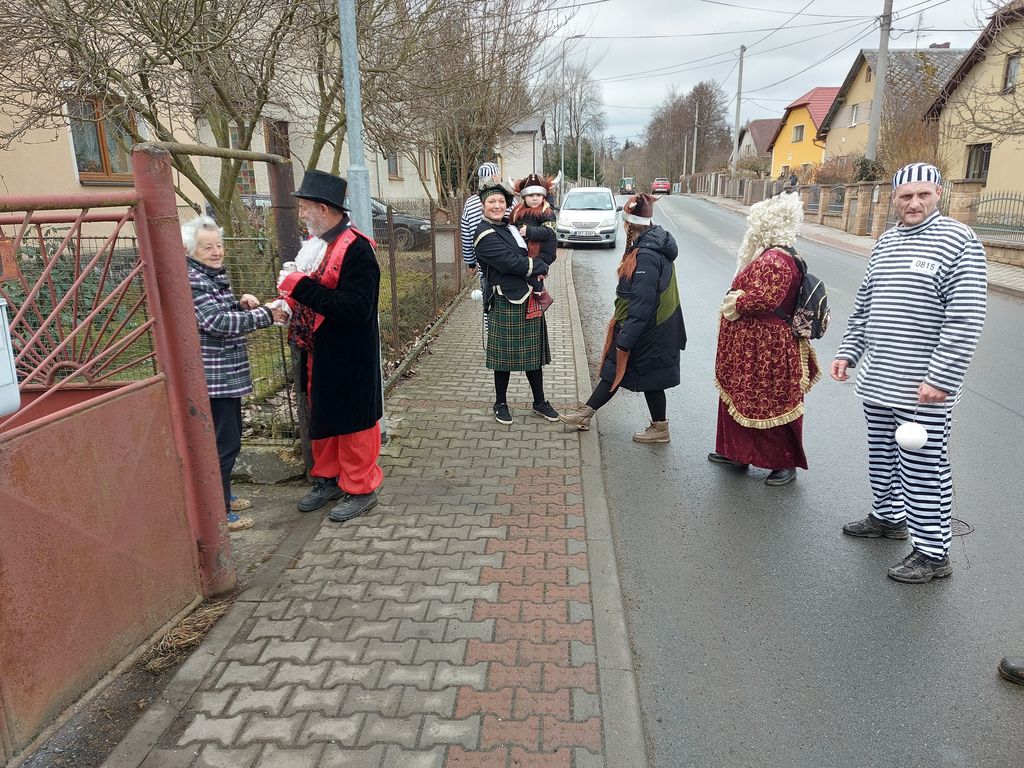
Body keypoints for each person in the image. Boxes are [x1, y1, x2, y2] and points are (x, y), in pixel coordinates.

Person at [832, 162, 987, 584]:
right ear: (894, 198)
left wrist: (941, 378)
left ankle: (933, 554)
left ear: (938, 194)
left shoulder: (959, 241)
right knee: (882, 456)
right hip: (879, 380)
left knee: (923, 469)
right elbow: (865, 305)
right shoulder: (886, 242)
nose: (914, 203)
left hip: (923, 390)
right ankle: (888, 518)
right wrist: (849, 352)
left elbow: (966, 318)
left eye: (923, 194)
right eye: (906, 196)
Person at [277, 170, 384, 523]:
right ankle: (329, 479)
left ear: (323, 209)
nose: (301, 214)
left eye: (305, 207)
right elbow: (310, 294)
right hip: (319, 348)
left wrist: (300, 287)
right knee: (323, 414)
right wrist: (286, 302)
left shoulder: (358, 249)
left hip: (350, 353)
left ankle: (361, 488)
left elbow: (356, 308)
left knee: (354, 421)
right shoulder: (316, 244)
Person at [708, 192, 819, 486]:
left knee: (771, 402)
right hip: (753, 346)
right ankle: (737, 453)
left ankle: (784, 463)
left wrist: (736, 301)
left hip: (767, 347)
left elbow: (763, 300)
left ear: (765, 225)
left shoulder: (775, 260)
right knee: (743, 398)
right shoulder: (778, 254)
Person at [184, 215, 286, 532]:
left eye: (218, 245)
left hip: (224, 377)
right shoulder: (194, 281)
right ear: (190, 251)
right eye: (207, 247)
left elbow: (221, 314)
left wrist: (241, 306)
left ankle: (223, 496)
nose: (216, 252)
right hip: (214, 379)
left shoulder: (210, 276)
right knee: (222, 444)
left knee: (229, 440)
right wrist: (266, 314)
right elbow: (217, 323)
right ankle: (219, 512)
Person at [559, 194, 686, 442]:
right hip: (653, 327)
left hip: (649, 328)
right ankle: (589, 414)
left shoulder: (646, 255)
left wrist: (625, 338)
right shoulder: (650, 245)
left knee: (626, 371)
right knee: (631, 373)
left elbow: (642, 302)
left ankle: (657, 428)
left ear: (628, 224)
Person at [473, 182, 559, 425]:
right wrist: (540, 266)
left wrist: (543, 258)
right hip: (504, 299)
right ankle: (500, 403)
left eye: (501, 201)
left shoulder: (509, 227)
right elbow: (510, 262)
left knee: (533, 354)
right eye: (492, 202)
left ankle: (539, 402)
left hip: (528, 295)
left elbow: (534, 246)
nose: (497, 206)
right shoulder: (483, 233)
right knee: (503, 358)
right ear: (483, 205)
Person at [511, 173, 558, 314]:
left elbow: (549, 232)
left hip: (541, 254)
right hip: (523, 254)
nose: (535, 198)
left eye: (538, 195)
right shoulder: (517, 211)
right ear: (524, 196)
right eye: (531, 195)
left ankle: (542, 297)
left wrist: (529, 231)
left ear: (544, 196)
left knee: (534, 277)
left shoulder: (547, 212)